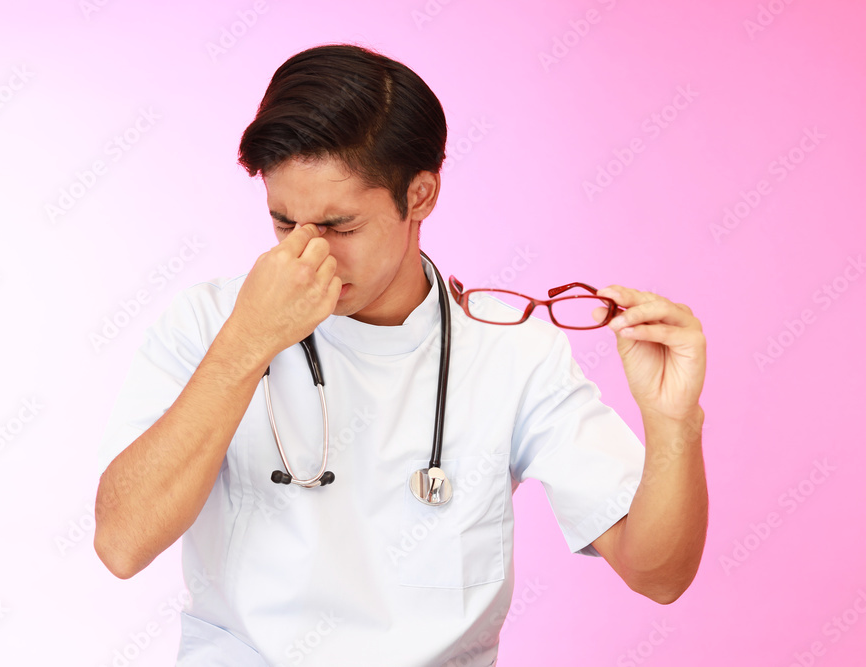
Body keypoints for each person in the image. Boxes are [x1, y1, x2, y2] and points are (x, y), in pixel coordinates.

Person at [93, 43, 708, 666]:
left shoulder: (513, 349)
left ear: (420, 195)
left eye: (340, 226)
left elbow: (658, 575)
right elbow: (122, 545)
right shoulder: (208, 324)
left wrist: (673, 423)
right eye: (283, 223)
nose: (307, 255)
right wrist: (247, 343)